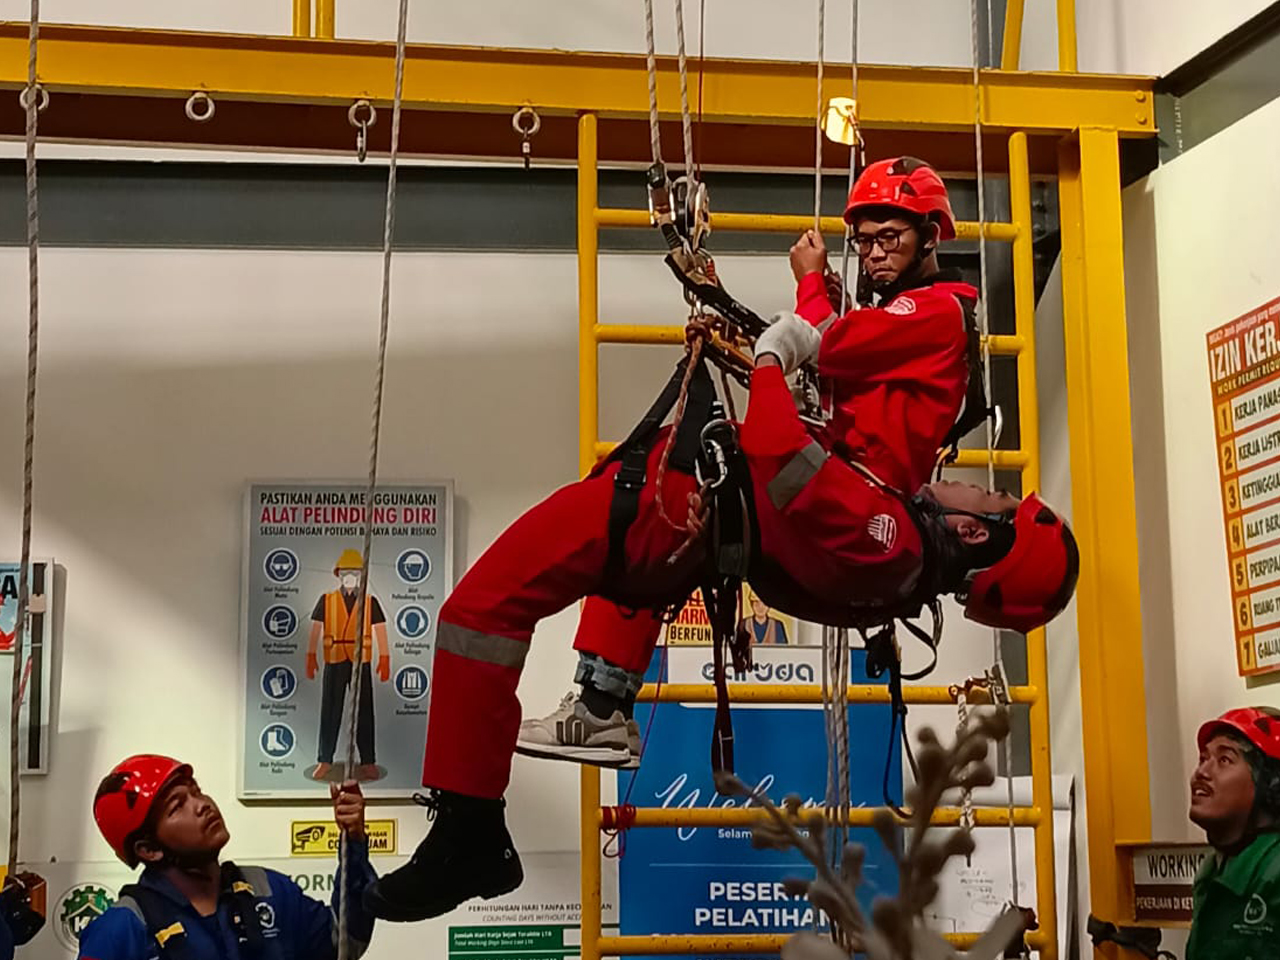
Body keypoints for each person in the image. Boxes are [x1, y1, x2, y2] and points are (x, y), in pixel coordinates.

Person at [363, 157, 1080, 923]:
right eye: (864, 237)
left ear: (976, 530)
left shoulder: (931, 339)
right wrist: (802, 305)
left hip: (702, 507)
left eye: (889, 234)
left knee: (484, 609)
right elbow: (831, 353)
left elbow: (823, 363)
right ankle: (590, 710)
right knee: (544, 577)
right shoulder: (894, 548)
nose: (871, 250)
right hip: (704, 514)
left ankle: (489, 808)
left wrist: (777, 349)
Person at [80, 754, 377, 959]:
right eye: (177, 806)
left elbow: (344, 945)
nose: (202, 805)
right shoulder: (123, 930)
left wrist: (353, 840)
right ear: (148, 850)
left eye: (197, 792)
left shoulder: (270, 891)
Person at [1187, 707, 1280, 959]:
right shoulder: (1211, 870)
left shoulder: (1276, 871)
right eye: (1203, 758)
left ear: (1270, 785)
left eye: (1224, 760)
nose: (1202, 772)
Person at [305, 549, 390, 783]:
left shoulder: (370, 602)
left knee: (364, 712)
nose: (350, 576)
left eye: (355, 572)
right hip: (334, 660)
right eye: (346, 572)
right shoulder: (327, 600)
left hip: (360, 660)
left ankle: (369, 761)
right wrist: (311, 654)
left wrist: (385, 657)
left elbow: (380, 629)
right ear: (338, 574)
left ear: (361, 575)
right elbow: (315, 627)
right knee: (330, 711)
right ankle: (325, 760)